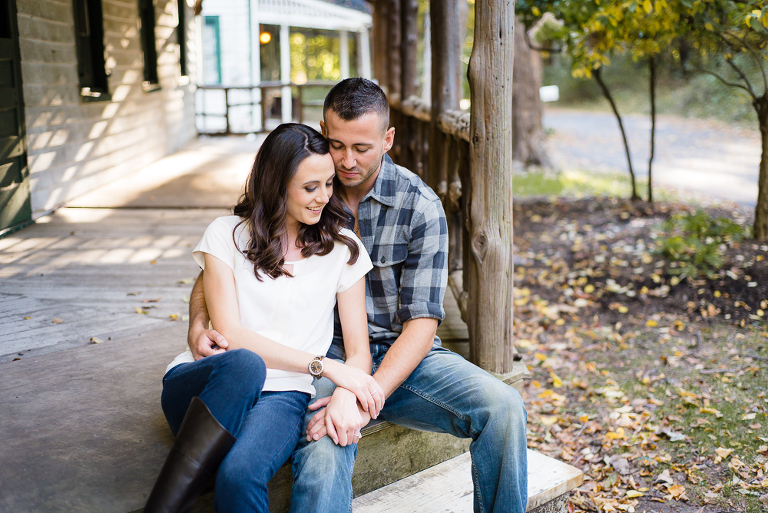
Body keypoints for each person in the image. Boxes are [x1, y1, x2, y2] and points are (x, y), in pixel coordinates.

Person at [188, 78, 528, 513]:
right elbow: (226, 260)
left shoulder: (419, 206)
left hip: (404, 357)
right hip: (319, 357)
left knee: (504, 407)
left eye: (362, 148)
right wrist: (200, 323)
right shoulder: (304, 190)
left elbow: (422, 326)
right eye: (336, 144)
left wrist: (360, 393)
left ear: (388, 139)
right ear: (322, 133)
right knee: (324, 453)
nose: (347, 161)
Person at [145, 123, 383, 513]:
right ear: (276, 185)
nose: (324, 196)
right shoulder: (226, 236)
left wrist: (343, 390)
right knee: (244, 364)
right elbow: (230, 335)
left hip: (285, 396)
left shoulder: (344, 249)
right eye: (310, 187)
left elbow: (358, 354)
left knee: (239, 476)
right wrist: (323, 366)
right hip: (210, 385)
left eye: (328, 184)